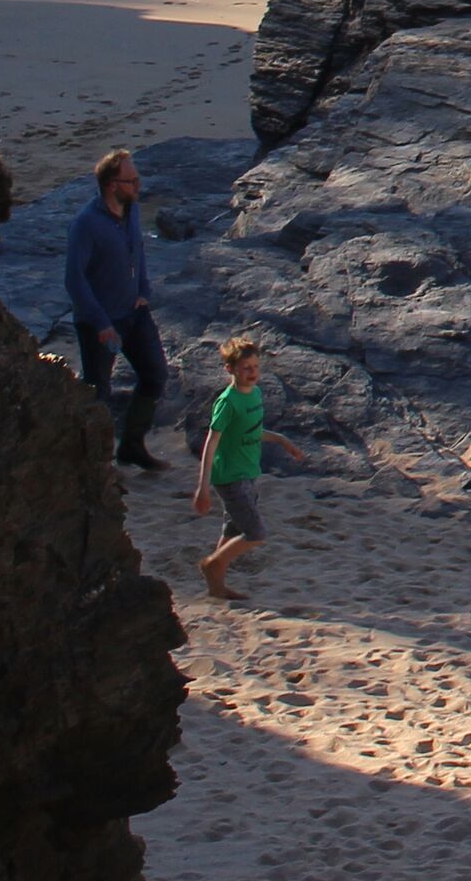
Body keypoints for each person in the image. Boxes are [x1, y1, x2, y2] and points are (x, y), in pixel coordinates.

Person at [64, 148, 166, 472]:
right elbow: (74, 280)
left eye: (137, 178)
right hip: (100, 323)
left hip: (134, 313)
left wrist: (144, 290)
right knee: (98, 394)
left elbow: (139, 250)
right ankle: (98, 466)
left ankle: (132, 447)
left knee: (155, 375)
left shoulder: (131, 210)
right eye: (131, 180)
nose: (138, 185)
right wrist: (100, 322)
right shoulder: (86, 224)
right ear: (111, 184)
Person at [191, 334, 300, 602]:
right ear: (230, 369)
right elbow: (211, 442)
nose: (252, 373)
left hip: (250, 472)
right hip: (230, 476)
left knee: (232, 531)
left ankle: (216, 587)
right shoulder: (227, 402)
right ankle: (212, 564)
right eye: (246, 368)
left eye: (255, 367)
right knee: (256, 533)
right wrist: (202, 488)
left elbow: (251, 431)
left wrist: (282, 440)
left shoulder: (255, 394)